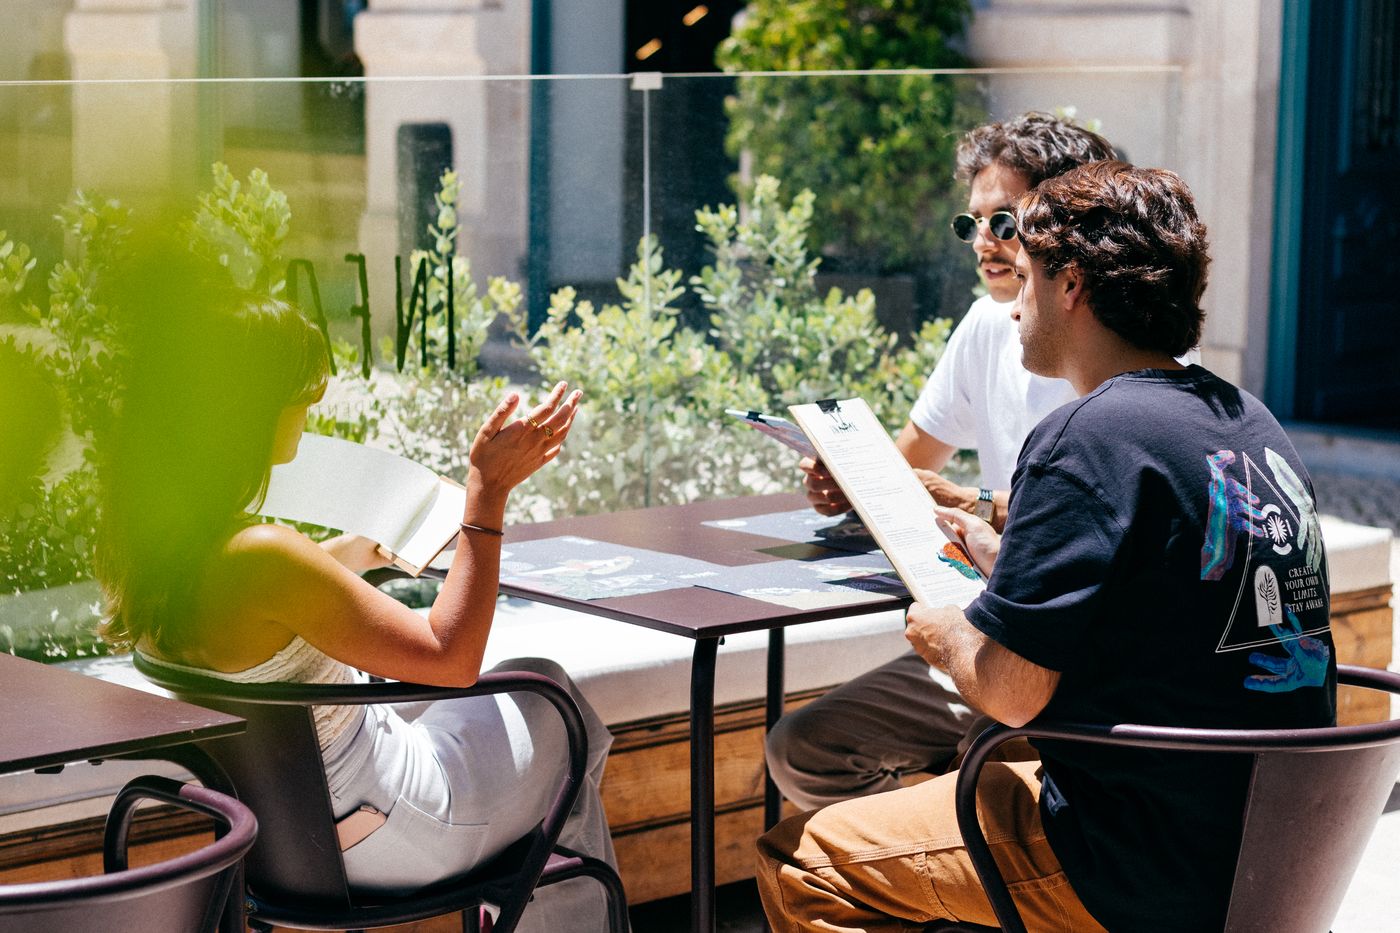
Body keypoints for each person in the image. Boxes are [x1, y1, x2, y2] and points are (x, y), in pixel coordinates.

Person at [756, 161, 1336, 932]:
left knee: (803, 860)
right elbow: (1166, 600)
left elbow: (1011, 692)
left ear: (1072, 286)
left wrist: (947, 634)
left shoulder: (1084, 437)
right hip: (1274, 854)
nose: (1014, 306)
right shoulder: (1249, 421)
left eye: (1026, 278)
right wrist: (1006, 552)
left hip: (1132, 856)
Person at [95, 251, 618, 932]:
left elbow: (264, 613)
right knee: (557, 704)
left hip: (276, 837)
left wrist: (364, 551)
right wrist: (486, 494)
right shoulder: (264, 556)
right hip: (381, 828)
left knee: (543, 750)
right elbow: (452, 658)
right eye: (297, 391)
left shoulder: (159, 555)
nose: (311, 405)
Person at [770, 113, 1117, 809]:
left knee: (981, 763)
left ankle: (943, 837)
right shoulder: (988, 325)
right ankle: (927, 843)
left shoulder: (1117, 346)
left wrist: (968, 501)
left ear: (1066, 225)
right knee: (802, 748)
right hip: (987, 627)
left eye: (1005, 222)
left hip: (1069, 657)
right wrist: (848, 479)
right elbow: (906, 463)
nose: (984, 243)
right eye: (972, 224)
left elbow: (1094, 524)